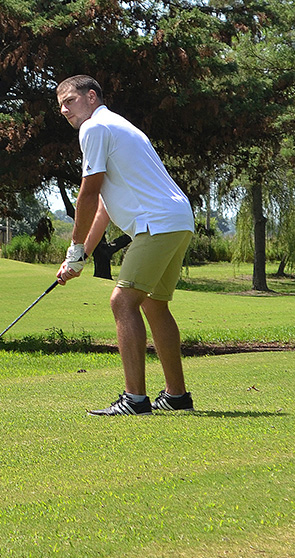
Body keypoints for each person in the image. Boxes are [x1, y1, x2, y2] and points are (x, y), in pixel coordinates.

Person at [55, 75, 195, 416]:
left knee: (122, 301)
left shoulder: (94, 128)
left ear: (91, 96)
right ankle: (176, 397)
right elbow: (103, 207)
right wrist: (81, 255)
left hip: (157, 224)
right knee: (154, 305)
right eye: (60, 105)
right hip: (178, 221)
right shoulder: (116, 126)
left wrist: (73, 249)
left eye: (69, 101)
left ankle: (135, 400)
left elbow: (87, 194)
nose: (64, 110)